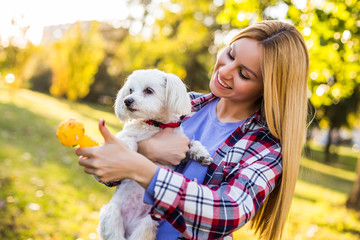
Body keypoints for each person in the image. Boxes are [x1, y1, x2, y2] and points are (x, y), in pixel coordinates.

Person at [75, 20, 309, 240]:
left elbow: (227, 212)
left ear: (268, 89)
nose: (225, 71)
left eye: (244, 74)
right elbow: (107, 172)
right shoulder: (179, 106)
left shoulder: (265, 148)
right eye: (230, 54)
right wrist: (145, 150)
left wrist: (142, 169)